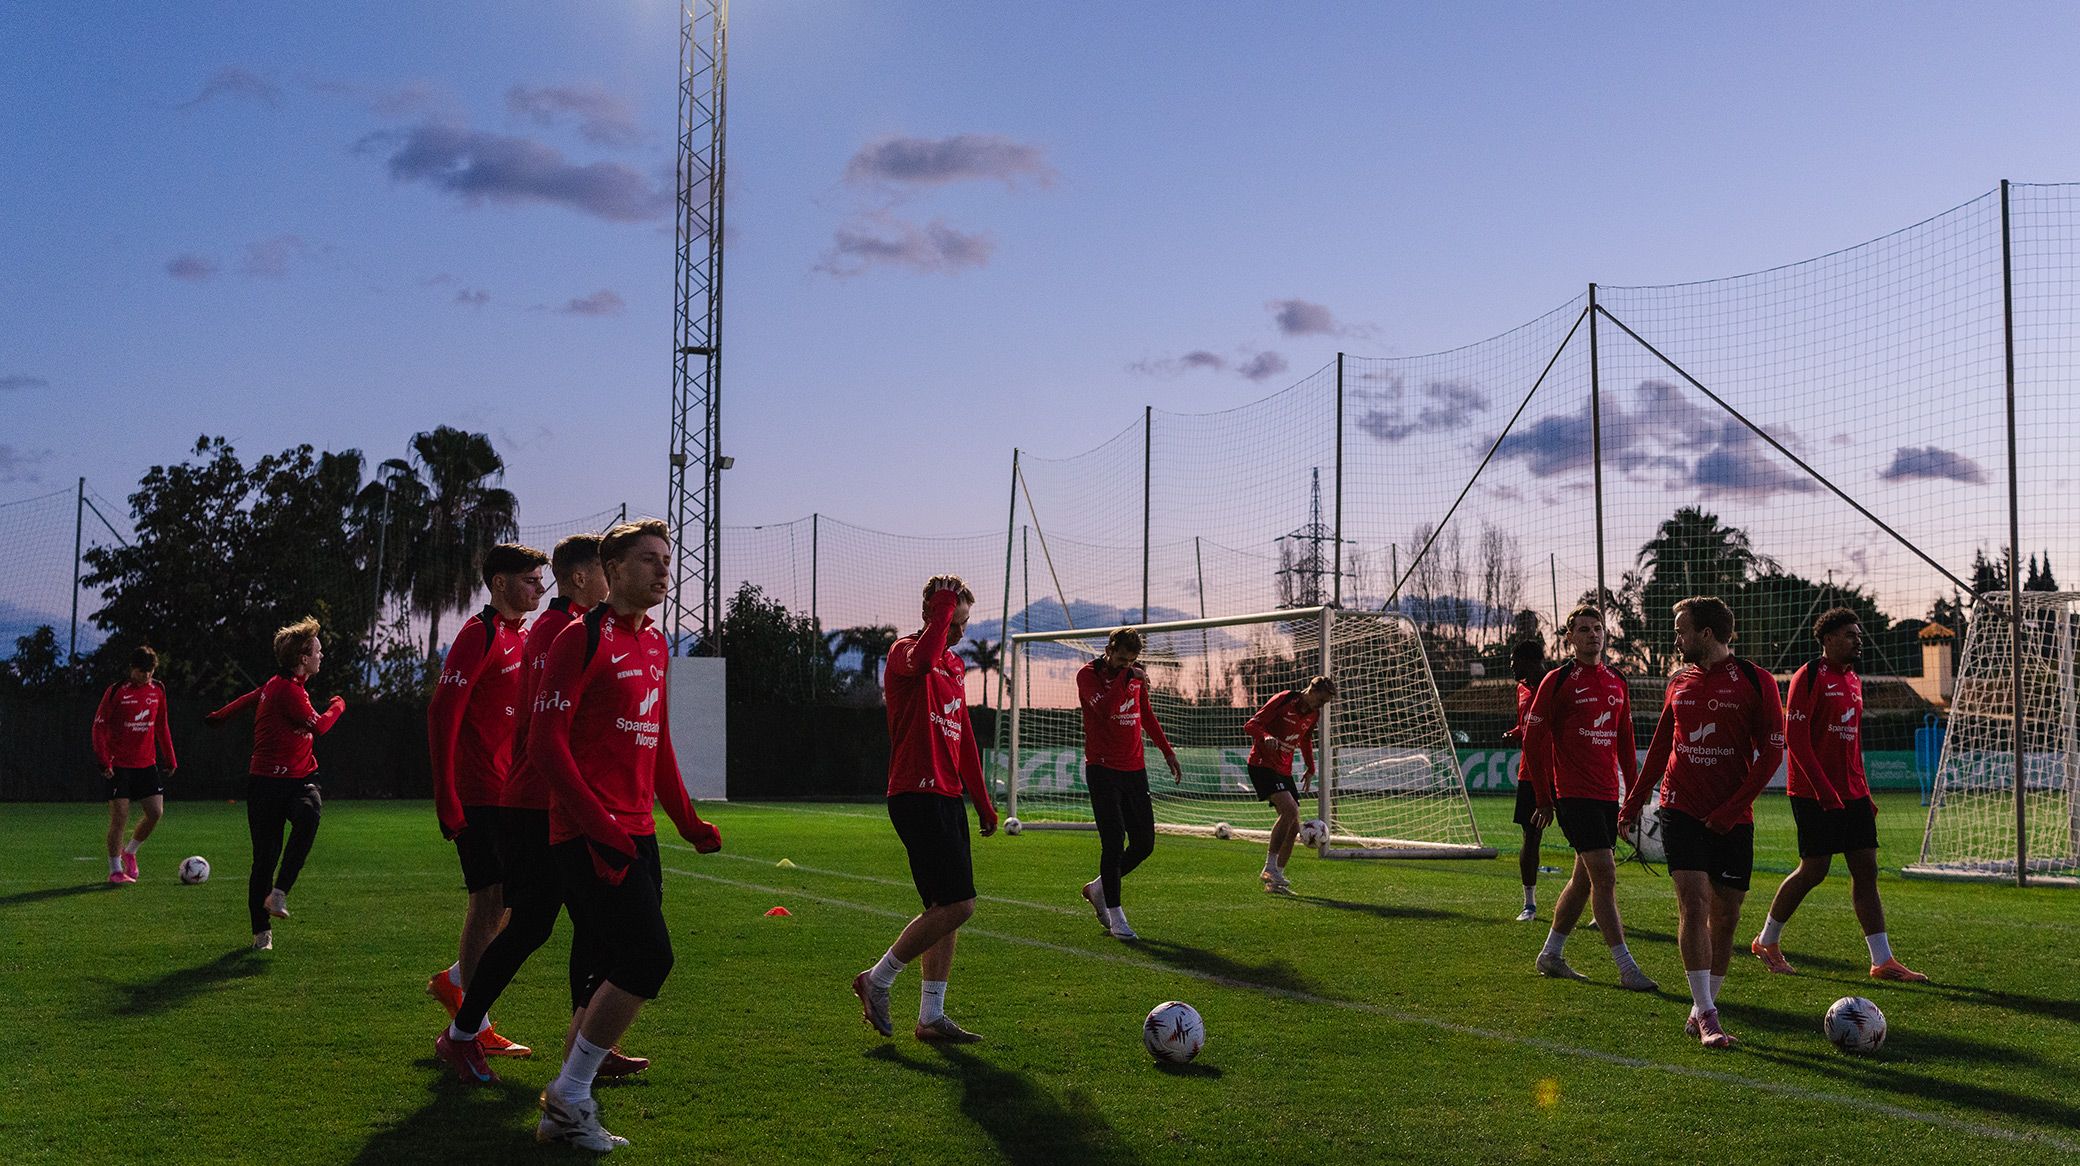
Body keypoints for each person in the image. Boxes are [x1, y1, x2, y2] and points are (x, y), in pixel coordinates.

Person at [527, 519, 721, 1152]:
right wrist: (599, 828)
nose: (664, 570)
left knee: (607, 966)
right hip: (587, 834)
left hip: (635, 834)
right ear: (611, 571)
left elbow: (657, 744)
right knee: (648, 958)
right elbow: (545, 745)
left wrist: (688, 824)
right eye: (648, 560)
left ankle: (566, 1106)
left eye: (668, 560)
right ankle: (570, 1093)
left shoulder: (658, 645)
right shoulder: (577, 639)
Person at [435, 533, 654, 1086]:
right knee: (529, 921)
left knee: (586, 925)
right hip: (538, 802)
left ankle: (586, 1046)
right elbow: (547, 735)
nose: (613, 579)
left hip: (559, 802)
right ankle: (465, 1031)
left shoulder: (554, 629)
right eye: (608, 569)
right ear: (585, 577)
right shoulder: (565, 631)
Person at [1620, 597, 1785, 1049]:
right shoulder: (1679, 682)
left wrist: (1731, 811)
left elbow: (1772, 752)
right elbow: (1659, 749)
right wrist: (1634, 802)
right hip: (1681, 808)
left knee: (1726, 916)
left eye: (1681, 630)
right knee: (1693, 906)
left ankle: (1701, 1007)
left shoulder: (1757, 681)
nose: (1676, 638)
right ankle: (1709, 1015)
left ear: (1706, 634)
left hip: (1732, 816)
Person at [852, 575, 999, 1045]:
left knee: (944, 908)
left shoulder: (955, 666)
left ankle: (931, 1017)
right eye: (953, 620)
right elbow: (922, 659)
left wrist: (982, 801)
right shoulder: (905, 653)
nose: (959, 631)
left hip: (946, 797)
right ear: (933, 615)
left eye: (964, 622)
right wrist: (941, 608)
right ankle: (877, 979)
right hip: (915, 795)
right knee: (960, 905)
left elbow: (966, 742)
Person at [1750, 608, 1928, 983]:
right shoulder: (1808, 676)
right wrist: (1825, 791)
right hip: (1814, 793)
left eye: (1858, 634)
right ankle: (1767, 940)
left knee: (1866, 870)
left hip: (1853, 793)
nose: (1857, 640)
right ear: (1828, 639)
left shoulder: (1854, 681)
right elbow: (1795, 740)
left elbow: (1854, 743)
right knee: (1814, 870)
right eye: (1850, 634)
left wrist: (1863, 791)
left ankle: (1883, 961)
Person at [424, 542, 548, 1059]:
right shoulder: (479, 634)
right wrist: (446, 797)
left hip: (510, 796)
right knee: (488, 902)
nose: (540, 588)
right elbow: (440, 713)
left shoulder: (525, 636)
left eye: (543, 580)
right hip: (478, 795)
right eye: (530, 579)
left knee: (519, 905)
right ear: (500, 584)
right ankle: (474, 1028)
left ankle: (456, 982)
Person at [1522, 607, 1656, 991]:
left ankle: (1551, 954)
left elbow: (1625, 743)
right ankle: (1627, 968)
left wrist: (1634, 794)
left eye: (1598, 629)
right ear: (1570, 638)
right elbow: (1533, 740)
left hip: (1606, 795)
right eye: (1584, 629)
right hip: (1572, 795)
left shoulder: (1617, 681)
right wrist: (1544, 797)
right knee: (1605, 875)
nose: (1593, 635)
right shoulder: (1557, 681)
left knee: (1582, 881)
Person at [204, 617, 343, 951]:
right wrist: (339, 705)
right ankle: (261, 931)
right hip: (266, 783)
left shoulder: (278, 685)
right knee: (264, 858)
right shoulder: (288, 691)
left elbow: (249, 697)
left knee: (309, 814)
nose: (322, 656)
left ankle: (279, 892)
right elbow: (322, 726)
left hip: (300, 779)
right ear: (302, 659)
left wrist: (221, 715)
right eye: (317, 651)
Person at [1076, 627, 1182, 940]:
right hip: (1102, 769)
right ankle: (1116, 915)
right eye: (1122, 658)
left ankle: (1098, 887)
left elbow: (1145, 713)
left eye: (1131, 660)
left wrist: (1167, 751)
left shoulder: (1134, 677)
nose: (1126, 663)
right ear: (1109, 649)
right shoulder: (1087, 675)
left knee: (1144, 843)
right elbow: (1106, 710)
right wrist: (1126, 677)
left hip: (1135, 769)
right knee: (1113, 840)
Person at [92, 645, 177, 885]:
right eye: (142, 671)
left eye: (150, 671)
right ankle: (115, 870)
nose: (147, 676)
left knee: (155, 813)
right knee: (120, 817)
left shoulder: (158, 689)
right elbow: (99, 726)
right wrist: (103, 760)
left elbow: (162, 726)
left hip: (146, 764)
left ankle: (130, 851)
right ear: (132, 669)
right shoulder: (116, 691)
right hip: (119, 765)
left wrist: (170, 758)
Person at [1243, 675, 1336, 894]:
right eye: (1321, 700)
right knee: (1290, 810)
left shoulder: (1314, 714)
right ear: (1311, 691)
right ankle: (1269, 867)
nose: (1321, 705)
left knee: (1294, 825)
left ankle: (1275, 881)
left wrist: (1311, 767)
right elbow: (1251, 725)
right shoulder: (1284, 700)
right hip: (1262, 764)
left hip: (1282, 770)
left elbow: (1305, 739)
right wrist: (1265, 736)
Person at [1506, 637, 1548, 921]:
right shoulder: (1521, 688)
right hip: (1529, 773)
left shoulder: (1556, 684)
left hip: (1562, 772)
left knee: (1585, 842)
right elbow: (1528, 725)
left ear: (1528, 661)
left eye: (1513, 661)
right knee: (1530, 836)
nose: (1510, 666)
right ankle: (1529, 905)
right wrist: (1516, 732)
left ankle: (1600, 905)